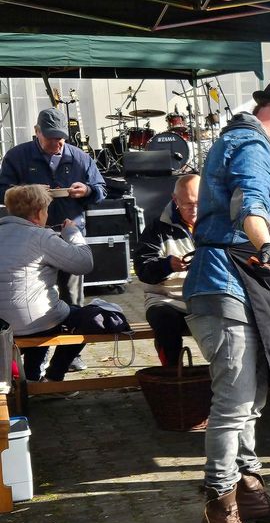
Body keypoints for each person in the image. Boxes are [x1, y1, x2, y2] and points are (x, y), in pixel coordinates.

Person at [182, 78, 270, 523]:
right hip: (222, 284)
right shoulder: (251, 145)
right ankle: (219, 512)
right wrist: (267, 246)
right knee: (234, 402)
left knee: (252, 398)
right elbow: (250, 206)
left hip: (239, 286)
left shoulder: (239, 140)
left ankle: (251, 492)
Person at [0, 107, 107, 371]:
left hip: (69, 229)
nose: (57, 143)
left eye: (61, 138)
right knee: (37, 295)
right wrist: (30, 194)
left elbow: (102, 188)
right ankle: (35, 361)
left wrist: (88, 190)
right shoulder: (17, 156)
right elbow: (2, 190)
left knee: (71, 294)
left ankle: (70, 353)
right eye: (50, 138)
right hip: (30, 234)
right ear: (36, 133)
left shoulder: (80, 157)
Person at [0, 184, 92, 381]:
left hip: (2, 323)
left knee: (44, 312)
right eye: (47, 210)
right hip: (29, 322)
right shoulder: (41, 236)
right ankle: (53, 377)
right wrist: (73, 234)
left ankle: (32, 376)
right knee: (84, 318)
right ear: (39, 212)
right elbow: (84, 263)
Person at [133, 174, 198, 367]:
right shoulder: (157, 228)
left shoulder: (216, 223)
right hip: (166, 298)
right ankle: (172, 374)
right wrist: (167, 265)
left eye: (199, 203)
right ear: (175, 200)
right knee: (164, 320)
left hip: (205, 296)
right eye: (187, 205)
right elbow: (143, 269)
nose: (194, 210)